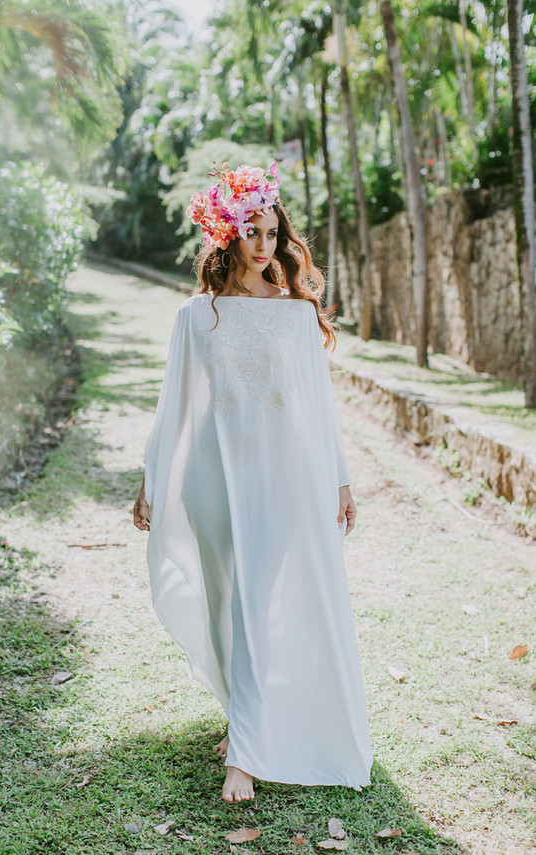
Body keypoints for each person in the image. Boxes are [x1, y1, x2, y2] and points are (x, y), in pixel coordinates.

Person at [133, 162, 373, 803]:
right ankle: (243, 712)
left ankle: (246, 749)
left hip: (280, 479)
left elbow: (319, 410)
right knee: (223, 603)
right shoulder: (197, 315)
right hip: (211, 481)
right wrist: (152, 478)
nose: (264, 244)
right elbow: (174, 405)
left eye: (272, 232)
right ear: (229, 236)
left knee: (256, 604)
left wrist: (342, 481)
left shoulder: (297, 315)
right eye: (252, 232)